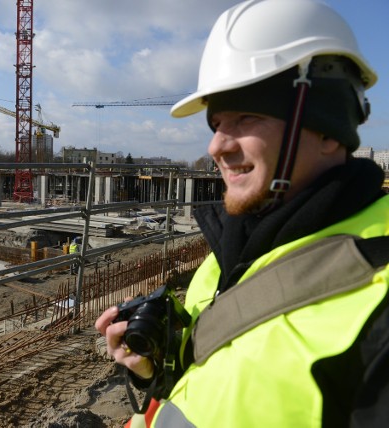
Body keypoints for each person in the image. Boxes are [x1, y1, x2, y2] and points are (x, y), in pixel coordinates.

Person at [95, 0, 389, 426]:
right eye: (216, 124)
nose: (216, 146)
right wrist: (155, 372)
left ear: (329, 128)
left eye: (247, 116)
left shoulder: (377, 301)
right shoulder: (227, 257)